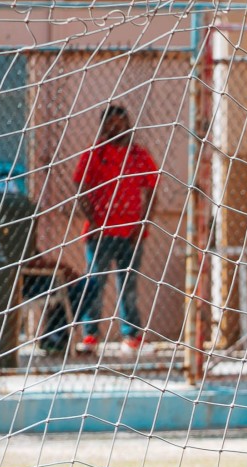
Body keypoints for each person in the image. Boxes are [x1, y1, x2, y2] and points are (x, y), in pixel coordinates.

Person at [67, 105, 158, 354]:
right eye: (111, 123)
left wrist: (143, 223)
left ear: (128, 124)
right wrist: (94, 220)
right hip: (100, 234)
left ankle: (131, 336)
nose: (117, 127)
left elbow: (151, 190)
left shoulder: (138, 155)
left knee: (128, 285)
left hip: (130, 234)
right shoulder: (95, 154)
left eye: (121, 122)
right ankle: (90, 335)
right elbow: (80, 187)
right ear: (104, 126)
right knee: (95, 284)